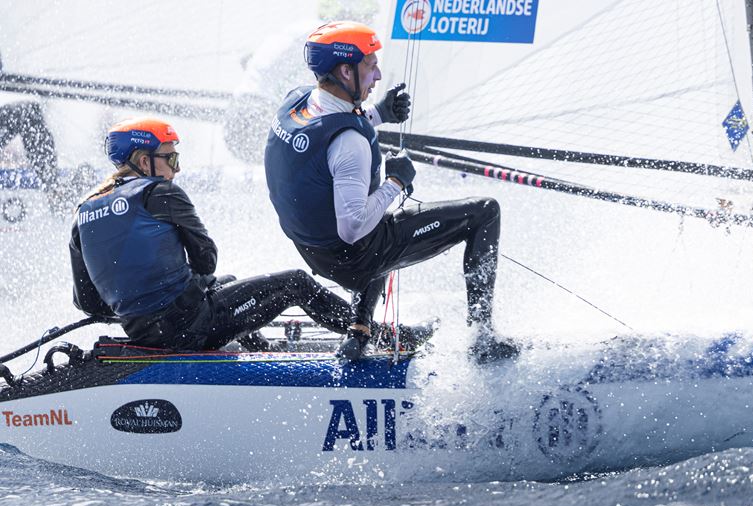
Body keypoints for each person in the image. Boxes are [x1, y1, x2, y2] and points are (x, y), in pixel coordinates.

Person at [264, 21, 519, 364]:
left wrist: (379, 113)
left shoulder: (295, 103)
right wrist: (395, 183)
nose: (379, 75)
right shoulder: (351, 144)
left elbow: (326, 132)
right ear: (345, 70)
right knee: (485, 211)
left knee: (380, 216)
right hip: (353, 259)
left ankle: (359, 331)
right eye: (371, 65)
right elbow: (353, 226)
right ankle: (482, 338)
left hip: (311, 248)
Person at [69, 117, 417, 352]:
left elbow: (89, 302)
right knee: (296, 282)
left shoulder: (83, 211)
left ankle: (263, 353)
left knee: (226, 283)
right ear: (144, 162)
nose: (178, 168)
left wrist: (142, 308)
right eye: (171, 159)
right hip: (189, 328)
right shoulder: (161, 193)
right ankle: (383, 338)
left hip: (143, 331)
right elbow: (207, 259)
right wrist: (181, 296)